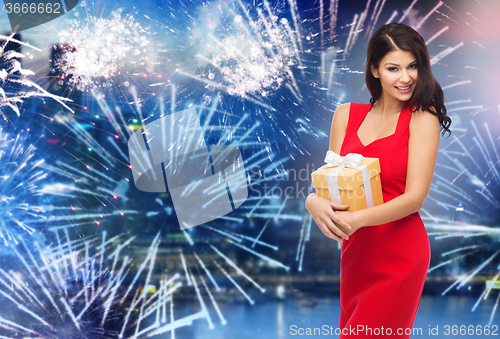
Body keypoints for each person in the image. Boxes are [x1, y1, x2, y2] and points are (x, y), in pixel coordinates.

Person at [305, 23, 452, 338]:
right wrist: (312, 200)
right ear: (374, 69)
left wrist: (355, 220)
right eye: (393, 68)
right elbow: (331, 180)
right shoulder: (345, 115)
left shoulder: (422, 118)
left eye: (413, 66)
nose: (406, 77)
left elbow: (415, 198)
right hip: (356, 252)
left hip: (398, 251)